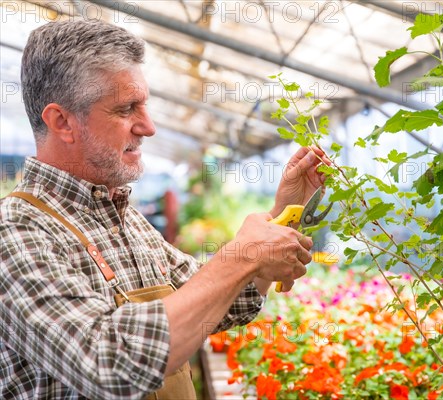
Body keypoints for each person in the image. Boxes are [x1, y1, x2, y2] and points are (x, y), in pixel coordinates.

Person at [0, 19, 329, 399]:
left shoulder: (123, 218)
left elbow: (224, 304)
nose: (149, 126)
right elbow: (109, 364)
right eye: (126, 109)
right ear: (62, 122)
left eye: (145, 105)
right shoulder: (16, 231)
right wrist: (242, 259)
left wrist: (283, 213)